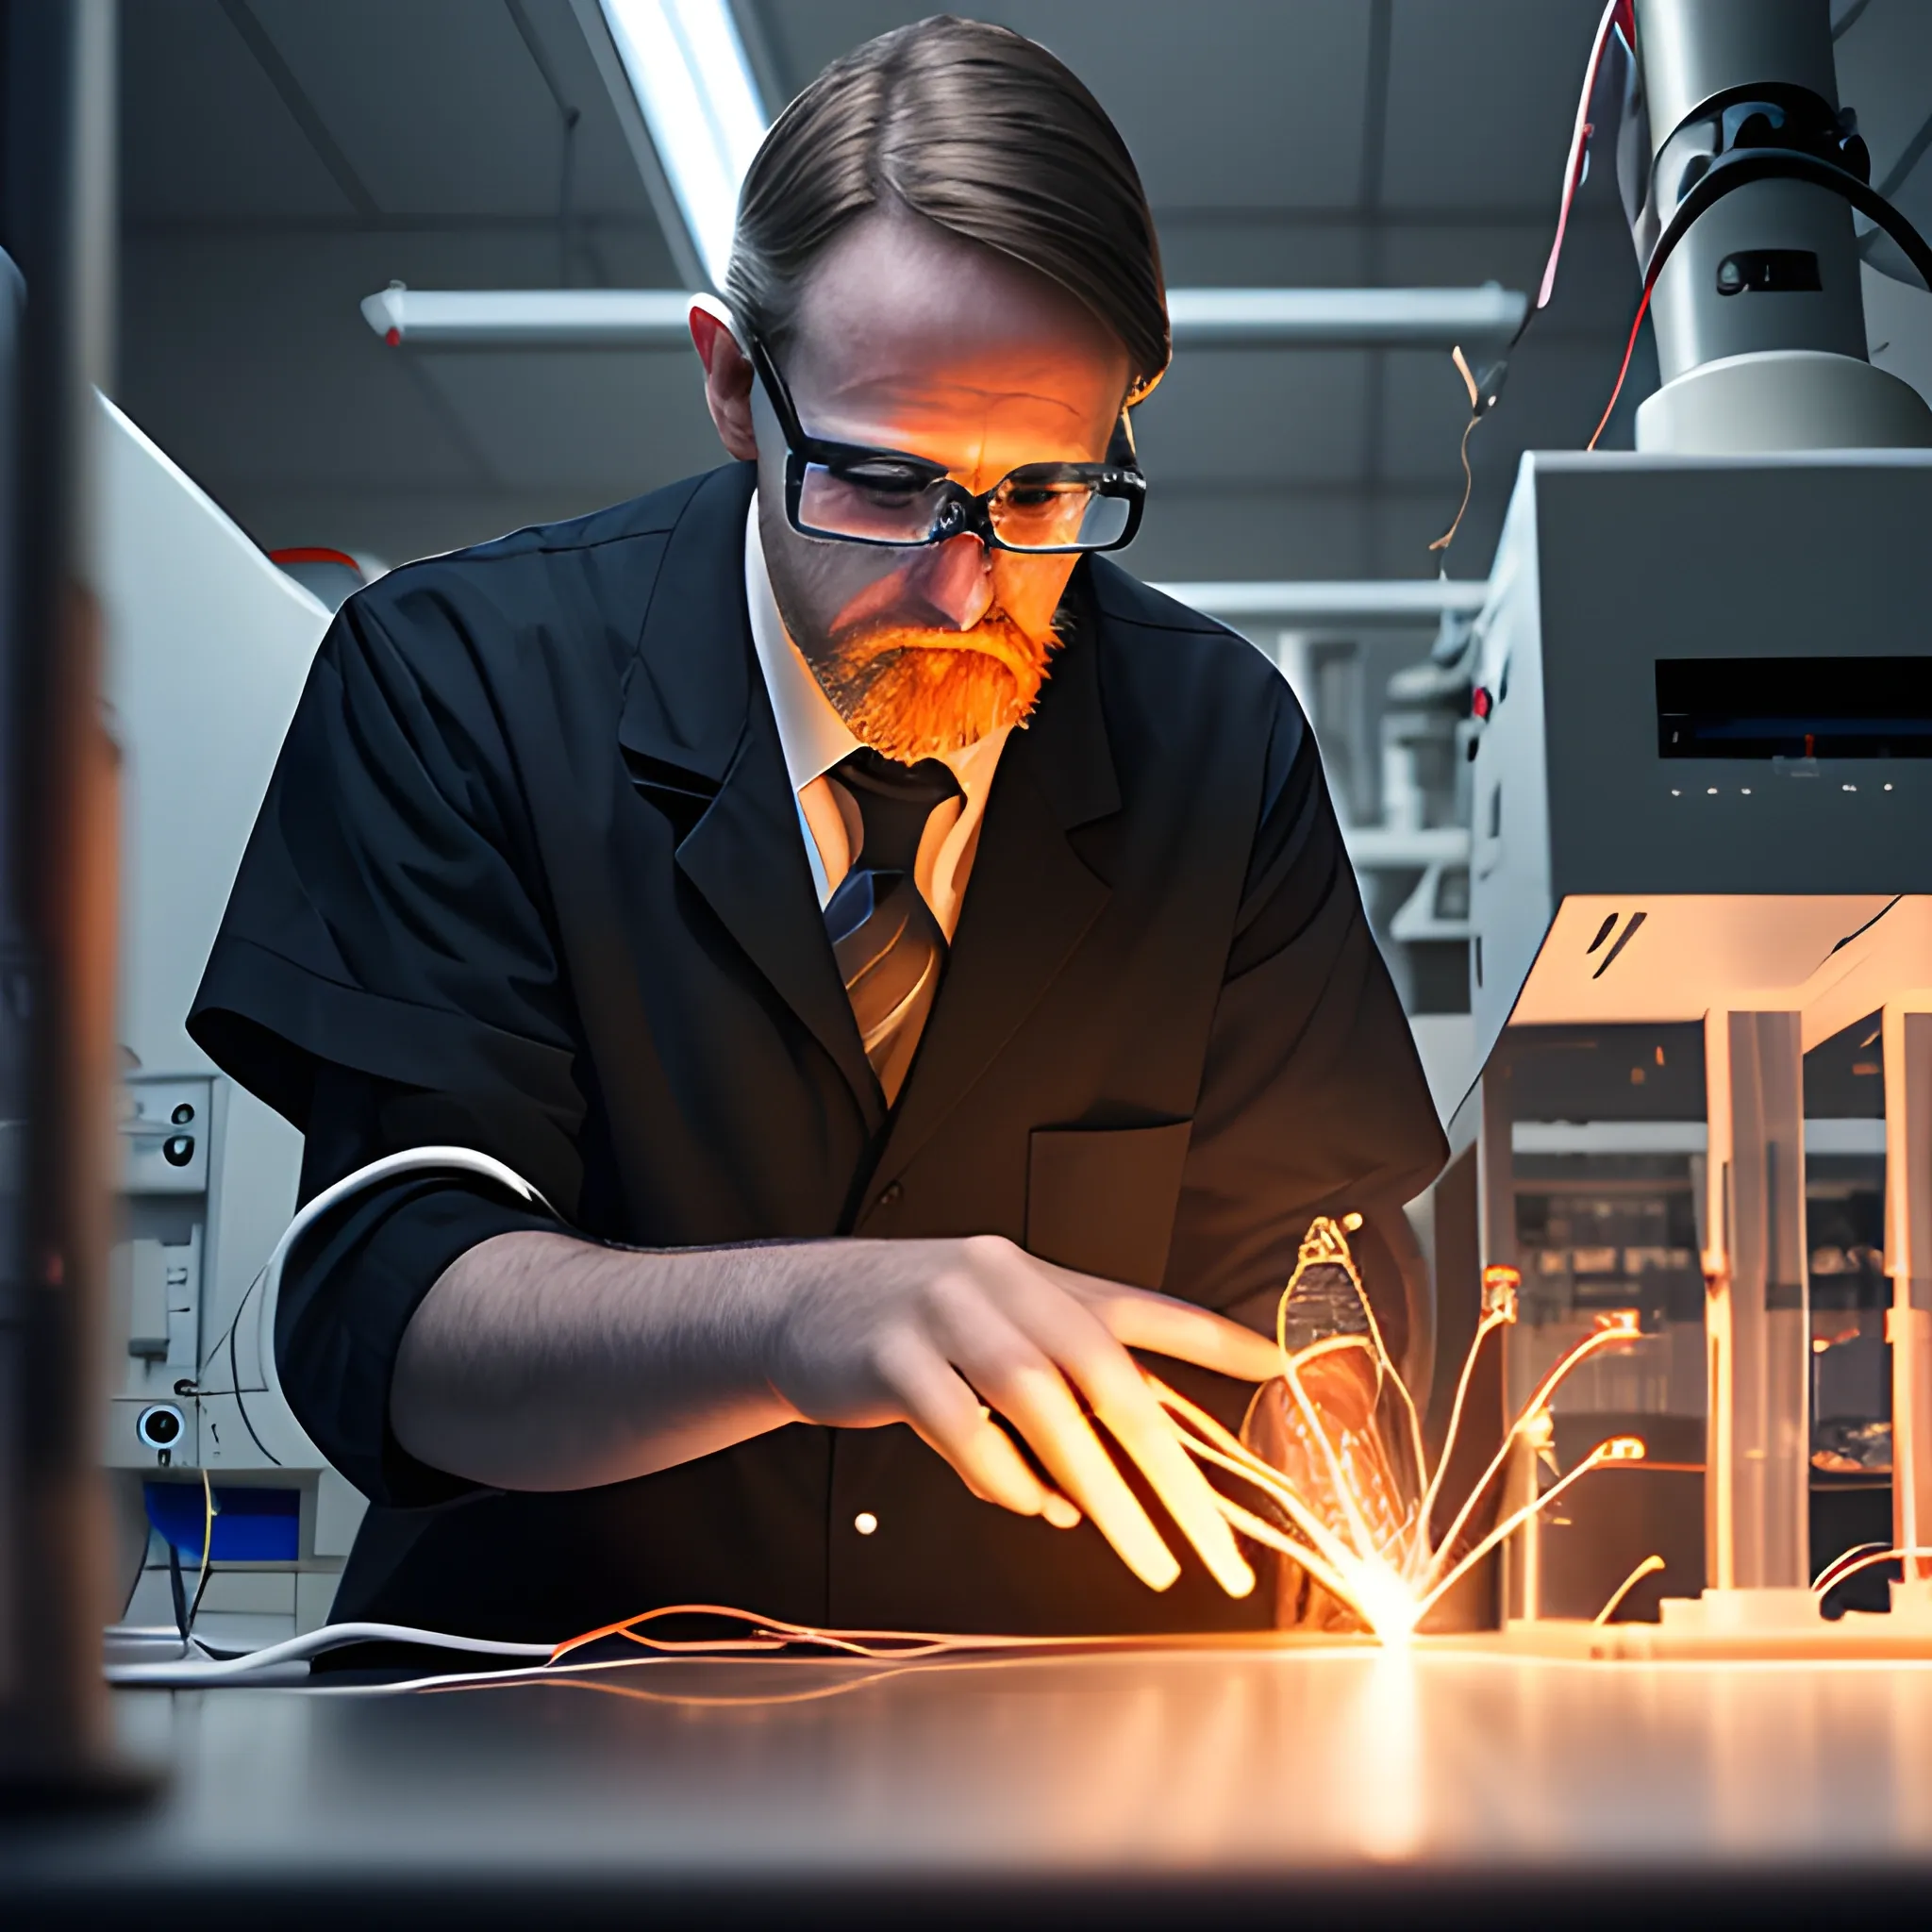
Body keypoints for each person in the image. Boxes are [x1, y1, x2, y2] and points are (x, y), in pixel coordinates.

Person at [190, 16, 1445, 1644]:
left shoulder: (1218, 742)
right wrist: (797, 1314)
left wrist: (1330, 1402)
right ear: (731, 386)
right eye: (878, 479)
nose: (964, 581)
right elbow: (397, 1312)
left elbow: (1313, 1241)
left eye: (1047, 495)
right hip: (544, 1734)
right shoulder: (461, 686)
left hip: (1073, 1753)